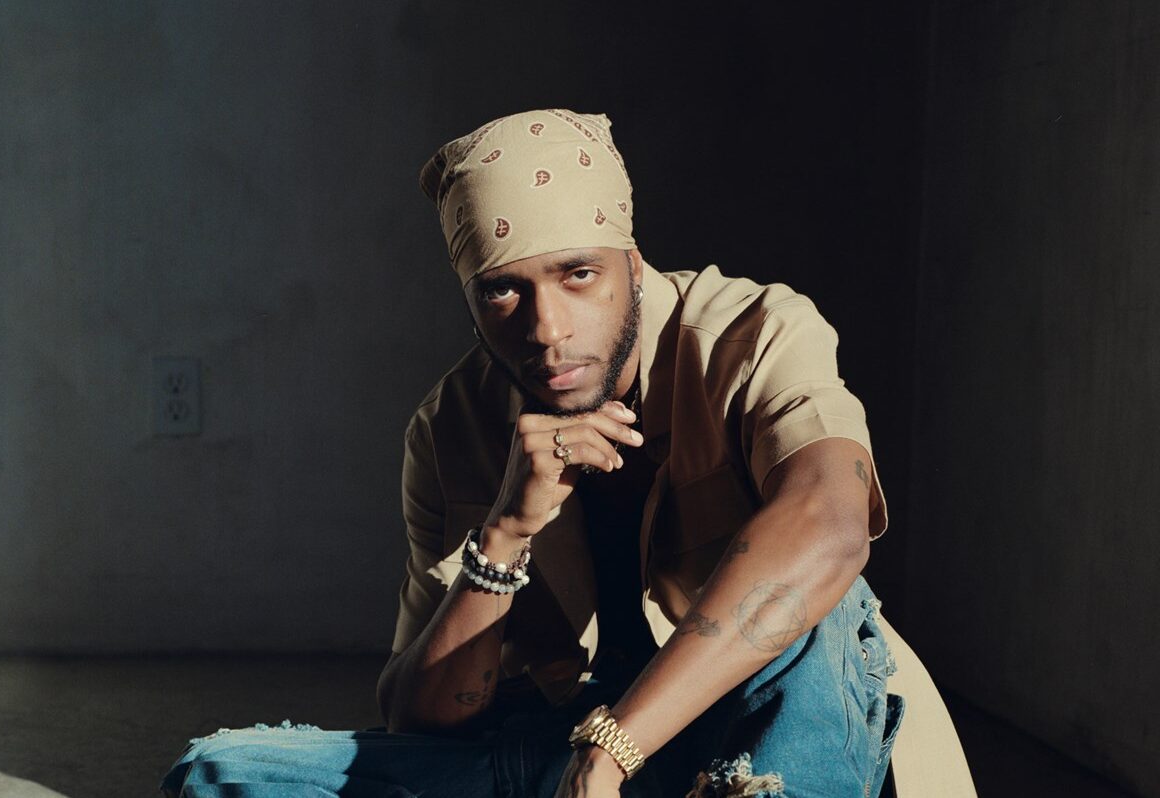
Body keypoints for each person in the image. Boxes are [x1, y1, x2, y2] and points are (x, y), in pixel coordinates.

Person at [161, 109, 905, 798]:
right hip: (549, 750)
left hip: (741, 737)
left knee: (814, 597)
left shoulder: (755, 334)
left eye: (579, 275)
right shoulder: (450, 428)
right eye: (501, 292)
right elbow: (419, 717)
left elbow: (832, 524)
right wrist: (505, 533)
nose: (547, 330)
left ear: (633, 264)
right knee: (220, 773)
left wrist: (612, 749)